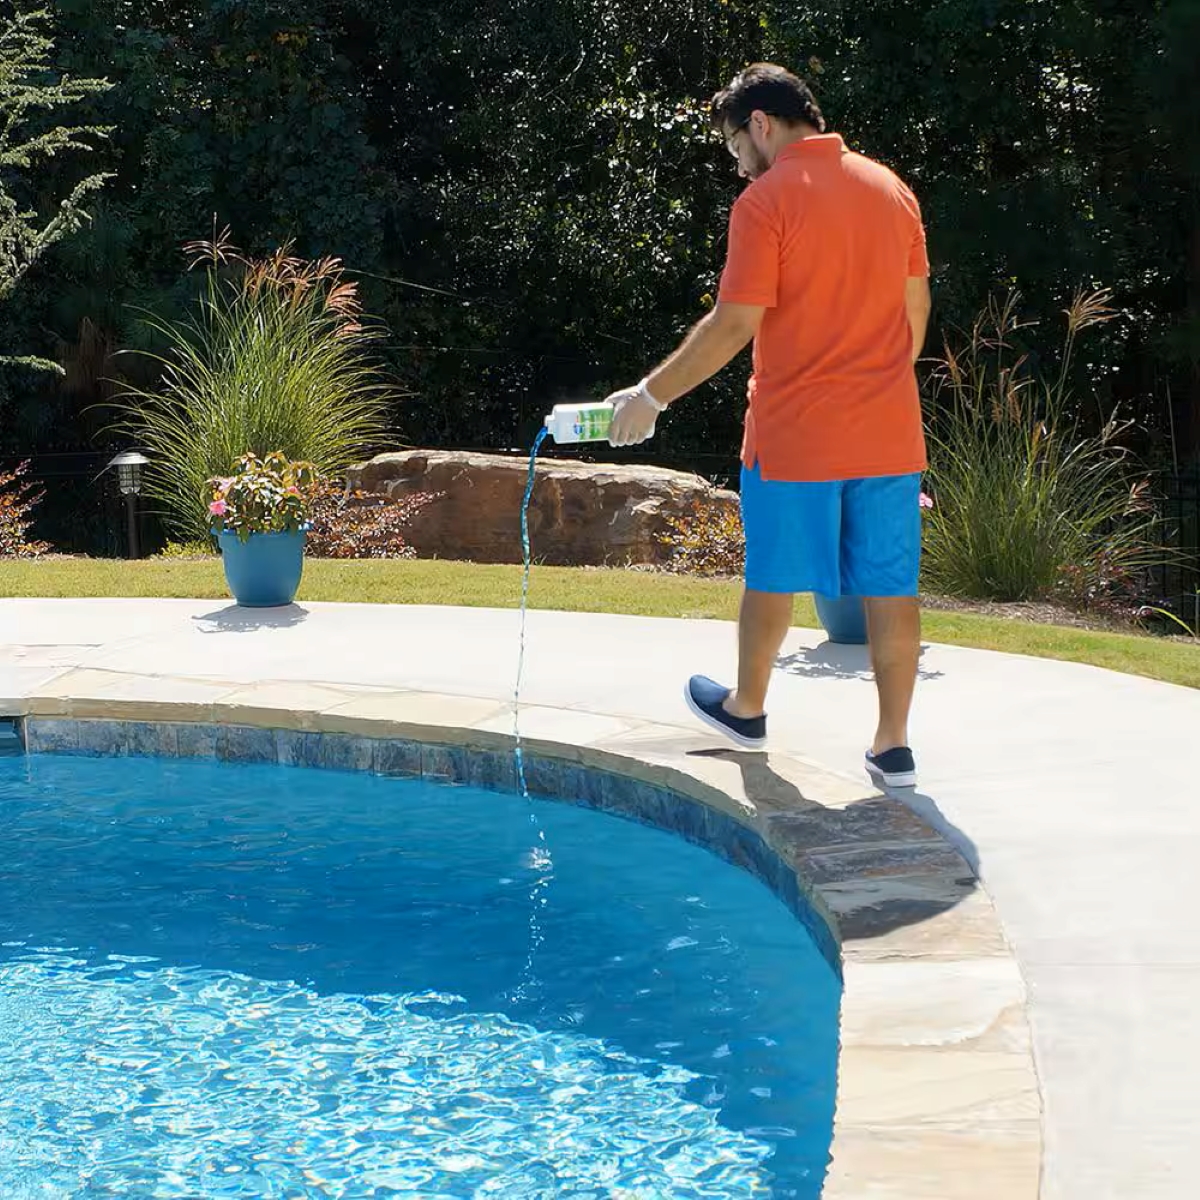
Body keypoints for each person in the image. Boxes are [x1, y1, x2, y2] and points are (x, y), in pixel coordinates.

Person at [604, 63, 931, 789]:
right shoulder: (892, 191)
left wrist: (651, 395)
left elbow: (733, 325)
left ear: (761, 124)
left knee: (774, 576)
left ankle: (747, 708)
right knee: (890, 586)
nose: (736, 165)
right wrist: (873, 385)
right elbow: (914, 315)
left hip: (796, 434)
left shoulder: (767, 201)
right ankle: (893, 745)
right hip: (888, 432)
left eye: (733, 147)